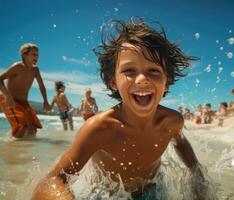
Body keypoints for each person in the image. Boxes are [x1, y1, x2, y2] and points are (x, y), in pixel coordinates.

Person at [32, 19, 207, 199]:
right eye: (129, 70)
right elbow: (50, 182)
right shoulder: (99, 129)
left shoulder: (172, 122)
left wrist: (197, 178)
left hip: (152, 192)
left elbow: (182, 144)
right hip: (107, 196)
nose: (141, 79)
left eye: (153, 70)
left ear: (167, 81)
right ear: (113, 81)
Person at [0, 43, 50, 138]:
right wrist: (7, 95)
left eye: (37, 55)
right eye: (34, 54)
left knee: (33, 129)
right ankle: (13, 148)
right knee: (21, 127)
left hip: (24, 102)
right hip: (10, 101)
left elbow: (41, 86)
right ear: (24, 55)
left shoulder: (35, 70)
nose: (37, 57)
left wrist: (45, 101)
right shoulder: (18, 67)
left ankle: (25, 150)